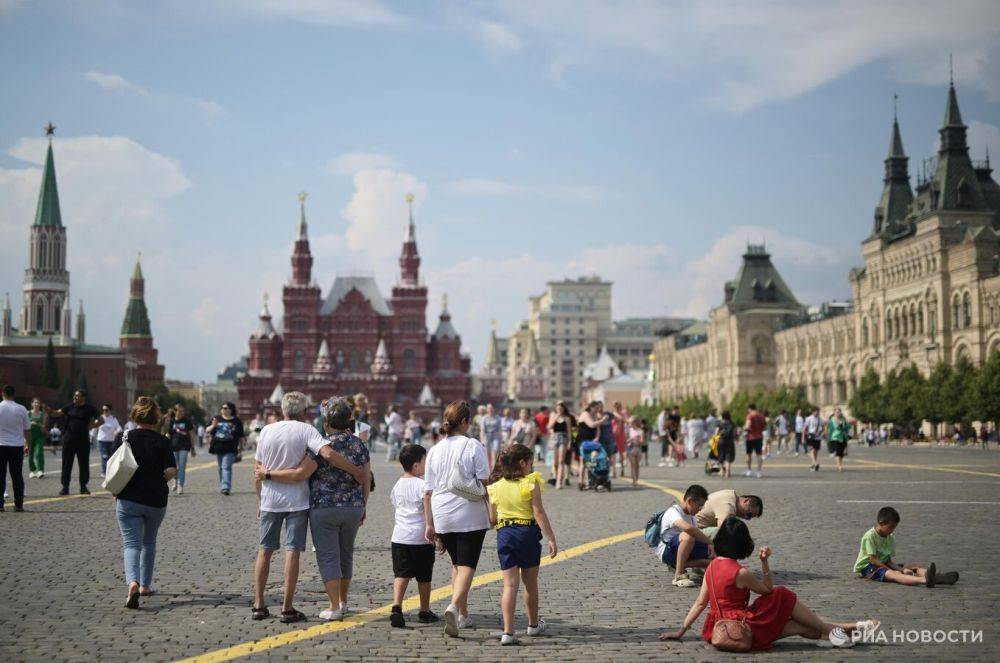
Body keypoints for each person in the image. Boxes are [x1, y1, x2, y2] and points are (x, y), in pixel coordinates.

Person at [661, 516, 875, 649]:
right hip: (744, 627)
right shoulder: (740, 572)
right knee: (781, 596)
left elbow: (700, 603)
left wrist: (681, 630)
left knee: (795, 625)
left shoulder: (712, 567)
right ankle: (845, 629)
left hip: (716, 627)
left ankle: (845, 632)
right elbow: (767, 590)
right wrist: (764, 563)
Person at [252, 394, 367, 622]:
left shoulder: (266, 430)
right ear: (304, 412)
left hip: (271, 500)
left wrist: (261, 496)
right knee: (292, 551)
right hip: (297, 501)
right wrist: (355, 471)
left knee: (264, 550)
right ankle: (287, 607)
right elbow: (327, 454)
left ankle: (258, 604)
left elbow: (257, 469)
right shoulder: (307, 430)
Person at [423, 401, 490, 638]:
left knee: (456, 564)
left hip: (441, 513)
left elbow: (428, 491)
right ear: (464, 422)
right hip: (468, 512)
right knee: (468, 565)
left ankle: (463, 614)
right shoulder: (473, 445)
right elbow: (484, 480)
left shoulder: (434, 450)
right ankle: (453, 607)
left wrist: (430, 523)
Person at [485, 443, 558, 645]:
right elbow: (539, 513)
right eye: (530, 463)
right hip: (527, 533)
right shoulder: (530, 483)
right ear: (522, 463)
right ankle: (533, 625)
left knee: (509, 585)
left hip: (505, 533)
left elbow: (492, 519)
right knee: (530, 583)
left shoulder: (495, 487)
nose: (531, 468)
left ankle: (508, 632)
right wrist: (550, 537)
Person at [308, 397, 371, 621]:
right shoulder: (359, 444)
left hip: (324, 508)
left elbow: (305, 472)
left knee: (328, 556)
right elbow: (366, 479)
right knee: (346, 555)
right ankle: (343, 602)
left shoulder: (320, 445)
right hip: (352, 507)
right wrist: (363, 505)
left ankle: (333, 606)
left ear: (326, 422)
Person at [113, 397, 176, 609]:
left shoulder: (124, 437)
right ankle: (145, 586)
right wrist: (160, 480)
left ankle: (133, 582)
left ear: (134, 415)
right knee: (149, 541)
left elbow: (114, 466)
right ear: (156, 417)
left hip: (128, 498)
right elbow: (170, 471)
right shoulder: (163, 441)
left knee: (131, 544)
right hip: (155, 500)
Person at [389, 444, 439, 628]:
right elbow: (428, 504)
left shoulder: (397, 485)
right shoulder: (423, 485)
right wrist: (430, 526)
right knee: (424, 577)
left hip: (400, 537)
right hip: (420, 538)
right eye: (425, 461)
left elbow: (396, 505)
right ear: (417, 465)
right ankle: (424, 611)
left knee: (401, 574)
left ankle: (396, 606)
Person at [854, 506, 958, 587]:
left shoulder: (890, 537)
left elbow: (888, 560)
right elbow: (873, 560)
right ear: (881, 523)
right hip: (868, 567)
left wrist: (901, 569)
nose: (892, 530)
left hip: (883, 563)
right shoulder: (869, 536)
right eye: (891, 527)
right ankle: (924, 580)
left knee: (912, 568)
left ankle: (937, 577)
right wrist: (895, 571)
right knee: (893, 574)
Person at [654, 484, 713, 588]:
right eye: (699, 506)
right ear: (690, 501)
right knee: (688, 536)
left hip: (682, 549)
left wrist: (712, 546)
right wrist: (709, 542)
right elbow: (688, 529)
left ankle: (679, 565)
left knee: (715, 557)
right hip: (667, 551)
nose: (700, 509)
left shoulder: (692, 517)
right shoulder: (673, 511)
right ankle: (679, 575)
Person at [58, 389, 102, 495]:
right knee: (66, 463)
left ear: (83, 398)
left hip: (83, 440)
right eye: (74, 395)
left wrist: (92, 426)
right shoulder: (69, 407)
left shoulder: (90, 408)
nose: (75, 397)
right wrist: (50, 411)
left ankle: (83, 487)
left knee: (83, 464)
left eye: (77, 396)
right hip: (69, 439)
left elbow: (101, 420)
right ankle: (65, 487)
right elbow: (57, 413)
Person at [0, 384, 31, 512]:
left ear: (2, 393)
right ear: (14, 394)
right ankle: (18, 504)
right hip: (17, 446)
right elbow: (27, 429)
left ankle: (0, 505)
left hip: (0, 445)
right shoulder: (22, 409)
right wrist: (28, 444)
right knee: (17, 475)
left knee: (0, 475)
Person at [206, 402, 245, 495]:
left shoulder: (236, 421)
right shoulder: (216, 418)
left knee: (226, 467)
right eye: (222, 407)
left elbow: (241, 436)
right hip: (218, 447)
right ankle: (223, 485)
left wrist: (241, 447)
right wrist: (213, 425)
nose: (223, 409)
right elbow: (207, 430)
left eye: (226, 408)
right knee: (220, 468)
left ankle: (226, 487)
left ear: (231, 410)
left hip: (231, 448)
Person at [695, 489, 763, 539]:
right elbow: (723, 532)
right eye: (749, 515)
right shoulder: (728, 506)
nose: (746, 518)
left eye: (749, 518)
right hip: (696, 528)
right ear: (746, 501)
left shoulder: (730, 494)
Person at [166, 405, 196, 493]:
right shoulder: (171, 421)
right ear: (175, 412)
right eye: (180, 411)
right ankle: (175, 480)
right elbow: (169, 434)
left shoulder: (187, 421)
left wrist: (192, 447)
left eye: (183, 411)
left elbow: (191, 434)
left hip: (185, 446)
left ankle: (180, 485)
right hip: (173, 446)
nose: (182, 413)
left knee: (182, 466)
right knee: (174, 466)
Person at [575, 402, 602, 489]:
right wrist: (603, 420)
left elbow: (598, 428)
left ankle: (589, 482)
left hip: (592, 441)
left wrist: (597, 437)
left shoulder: (595, 416)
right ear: (591, 407)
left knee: (591, 460)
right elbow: (591, 424)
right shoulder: (585, 414)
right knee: (583, 461)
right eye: (597, 408)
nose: (598, 410)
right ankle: (581, 481)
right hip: (582, 440)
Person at [548, 402, 573, 489]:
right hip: (554, 438)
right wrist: (555, 418)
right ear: (556, 409)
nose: (559, 410)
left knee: (561, 460)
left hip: (563, 438)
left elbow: (569, 432)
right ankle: (556, 477)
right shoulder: (553, 416)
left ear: (563, 409)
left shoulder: (567, 419)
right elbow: (549, 427)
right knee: (555, 463)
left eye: (561, 409)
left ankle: (559, 481)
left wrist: (570, 442)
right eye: (558, 409)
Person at [96, 404, 123, 477]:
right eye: (103, 410)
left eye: (106, 410)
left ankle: (109, 471)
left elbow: (119, 428)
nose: (104, 411)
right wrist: (90, 437)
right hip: (102, 441)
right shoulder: (100, 418)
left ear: (110, 411)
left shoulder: (113, 419)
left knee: (110, 457)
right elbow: (94, 426)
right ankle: (104, 472)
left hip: (111, 441)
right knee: (104, 456)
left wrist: (117, 432)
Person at [743, 404, 765, 478]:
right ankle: (759, 472)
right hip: (759, 437)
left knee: (749, 455)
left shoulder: (750, 416)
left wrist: (744, 428)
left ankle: (749, 470)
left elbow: (747, 427)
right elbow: (764, 426)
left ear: (750, 409)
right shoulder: (761, 416)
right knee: (759, 455)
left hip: (750, 438)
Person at [27, 398, 47, 479]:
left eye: (38, 403)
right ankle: (32, 471)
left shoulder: (43, 414)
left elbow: (44, 428)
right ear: (32, 404)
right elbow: (24, 425)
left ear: (40, 404)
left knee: (39, 453)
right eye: (35, 402)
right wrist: (31, 423)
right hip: (29, 435)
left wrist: (39, 425)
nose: (36, 404)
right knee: (30, 453)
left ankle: (40, 470)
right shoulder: (27, 413)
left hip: (39, 436)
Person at [715, 411, 737, 478]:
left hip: (721, 441)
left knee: (721, 455)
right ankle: (728, 472)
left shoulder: (720, 423)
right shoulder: (732, 423)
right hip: (730, 442)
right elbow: (734, 433)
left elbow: (716, 433)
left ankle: (722, 471)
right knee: (728, 457)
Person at [827, 408, 850, 473]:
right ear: (834, 413)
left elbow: (847, 427)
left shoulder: (843, 419)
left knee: (841, 453)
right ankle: (840, 466)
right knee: (838, 452)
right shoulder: (832, 420)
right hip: (835, 437)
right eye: (837, 412)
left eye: (839, 412)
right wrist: (840, 424)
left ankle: (839, 465)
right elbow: (836, 427)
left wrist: (846, 426)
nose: (838, 413)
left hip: (842, 437)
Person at [481, 404, 503, 470]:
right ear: (487, 409)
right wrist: (482, 439)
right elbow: (482, 429)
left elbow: (500, 429)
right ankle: (488, 469)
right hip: (487, 436)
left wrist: (501, 440)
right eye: (488, 408)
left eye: (491, 408)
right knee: (487, 453)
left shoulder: (498, 417)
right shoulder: (484, 418)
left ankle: (494, 469)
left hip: (495, 436)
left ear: (494, 409)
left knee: (495, 451)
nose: (490, 409)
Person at [803, 408, 825, 472]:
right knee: (812, 451)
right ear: (813, 412)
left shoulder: (820, 419)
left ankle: (813, 465)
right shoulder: (809, 418)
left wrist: (820, 433)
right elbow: (804, 428)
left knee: (815, 451)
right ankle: (816, 463)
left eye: (818, 412)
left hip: (818, 437)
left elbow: (823, 428)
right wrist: (803, 438)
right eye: (816, 412)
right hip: (811, 436)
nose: (817, 413)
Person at [610, 402, 628, 477]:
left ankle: (622, 470)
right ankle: (613, 471)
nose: (617, 408)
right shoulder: (612, 414)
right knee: (613, 453)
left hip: (621, 435)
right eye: (616, 407)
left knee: (621, 453)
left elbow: (627, 422)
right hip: (613, 435)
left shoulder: (623, 414)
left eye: (619, 406)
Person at [626, 415, 643, 487]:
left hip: (638, 449)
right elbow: (626, 441)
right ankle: (634, 481)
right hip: (630, 448)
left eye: (630, 423)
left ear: (634, 423)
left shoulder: (640, 431)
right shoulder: (629, 431)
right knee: (633, 465)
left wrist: (638, 439)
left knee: (637, 465)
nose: (629, 424)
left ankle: (636, 479)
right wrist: (631, 439)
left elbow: (642, 441)